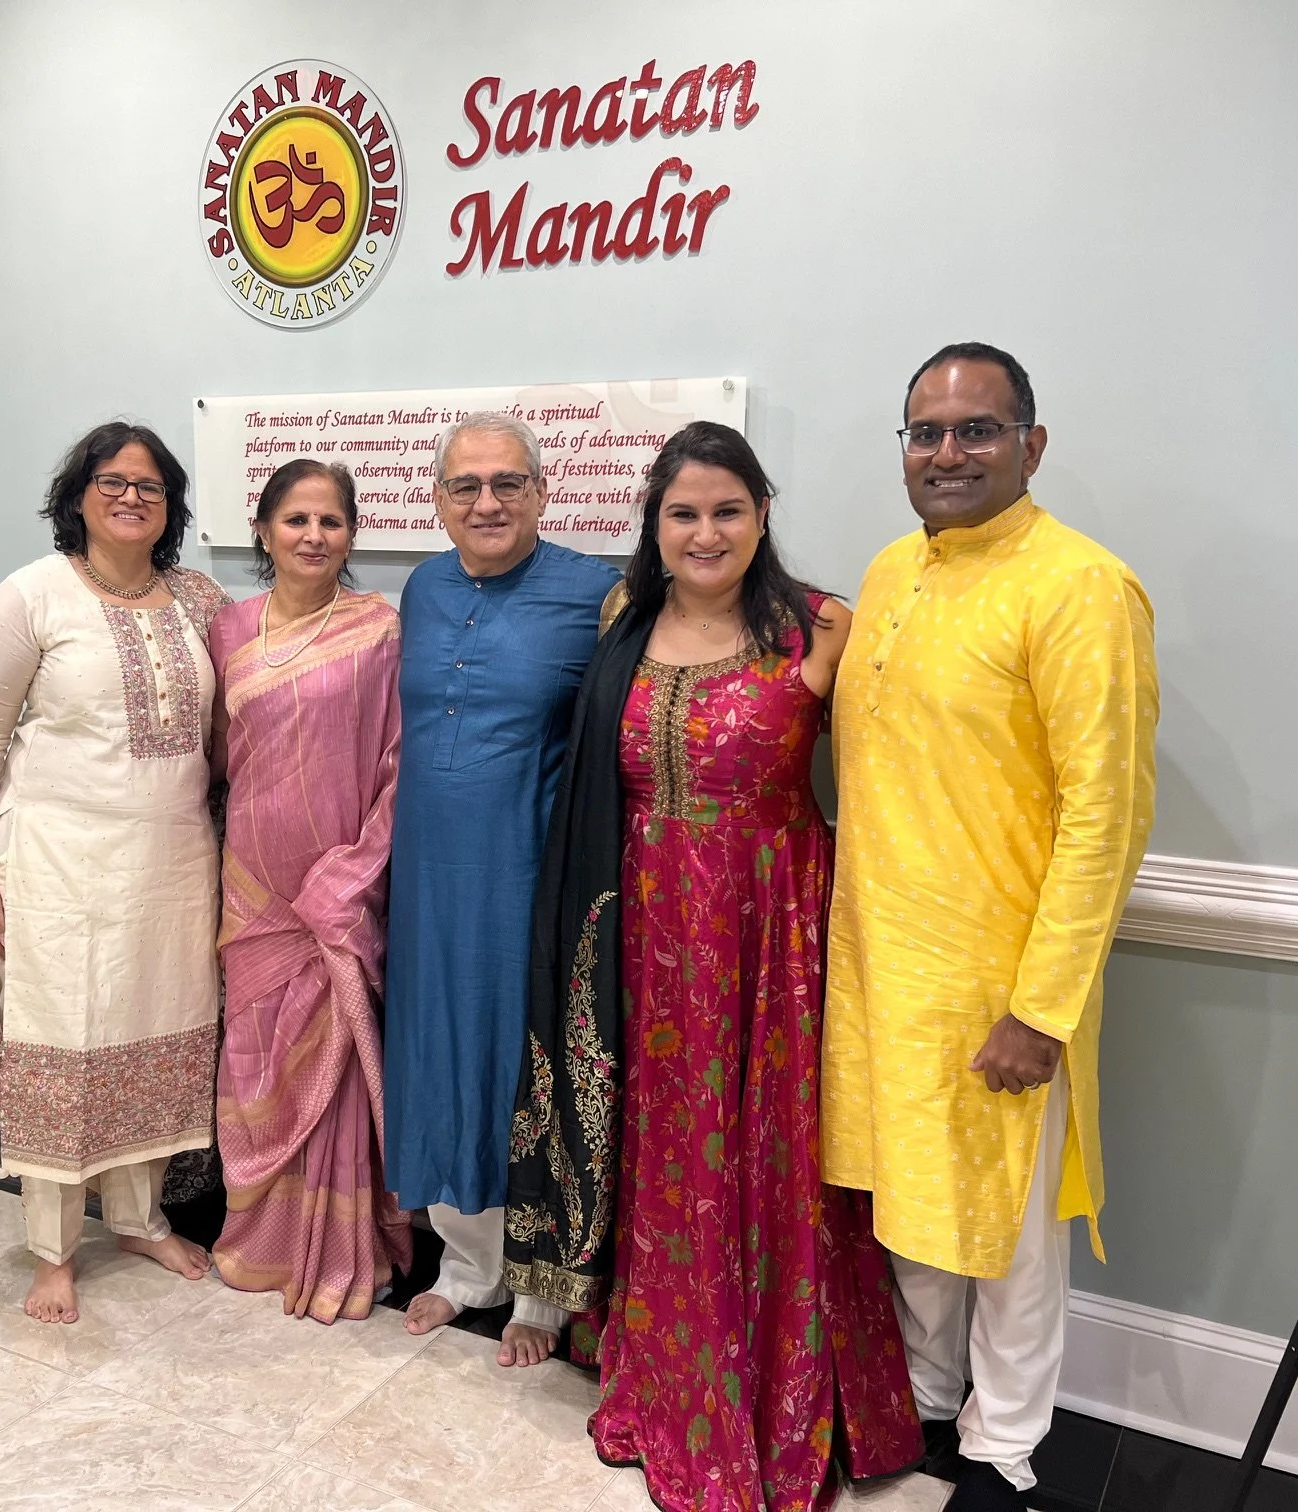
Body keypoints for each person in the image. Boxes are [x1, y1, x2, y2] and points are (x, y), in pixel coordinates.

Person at [508, 422, 923, 1509]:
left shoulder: (819, 627)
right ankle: (663, 1371)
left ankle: (776, 1393)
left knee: (771, 1153)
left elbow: (890, 793)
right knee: (660, 1150)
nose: (705, 532)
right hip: (640, 932)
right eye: (683, 513)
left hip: (772, 938)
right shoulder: (621, 621)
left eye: (727, 510)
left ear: (762, 515)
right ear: (656, 524)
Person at [821, 344, 1159, 1511]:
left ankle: (1006, 1438)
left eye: (976, 429)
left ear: (1033, 443)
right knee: (912, 1203)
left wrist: (1042, 1006)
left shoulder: (1081, 586)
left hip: (1000, 979)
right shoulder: (889, 572)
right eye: (926, 432)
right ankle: (922, 1394)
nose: (947, 453)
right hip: (881, 967)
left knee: (1009, 1225)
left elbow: (1108, 815)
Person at [0, 419, 228, 1325]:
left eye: (150, 485)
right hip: (58, 867)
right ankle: (54, 1252)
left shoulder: (201, 601)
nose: (132, 497)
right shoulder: (29, 597)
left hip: (175, 865)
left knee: (157, 1034)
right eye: (112, 481)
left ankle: (138, 1218)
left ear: (172, 503)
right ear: (77, 497)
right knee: (62, 1045)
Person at [382, 411, 622, 1366]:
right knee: (438, 1062)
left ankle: (537, 1297)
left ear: (541, 492)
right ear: (437, 500)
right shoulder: (424, 587)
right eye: (466, 486)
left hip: (528, 881)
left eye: (507, 484)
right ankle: (465, 1269)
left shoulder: (594, 593)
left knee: (521, 1073)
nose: (487, 502)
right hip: (426, 876)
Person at [206, 458, 413, 1322]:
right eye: (296, 520)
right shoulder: (228, 631)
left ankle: (338, 1245)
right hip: (253, 888)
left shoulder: (379, 630)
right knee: (256, 1057)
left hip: (340, 889)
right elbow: (219, 757)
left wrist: (355, 871)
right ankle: (260, 1237)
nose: (314, 537)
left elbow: (400, 761)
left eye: (331, 522)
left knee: (333, 1066)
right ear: (263, 531)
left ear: (353, 534)